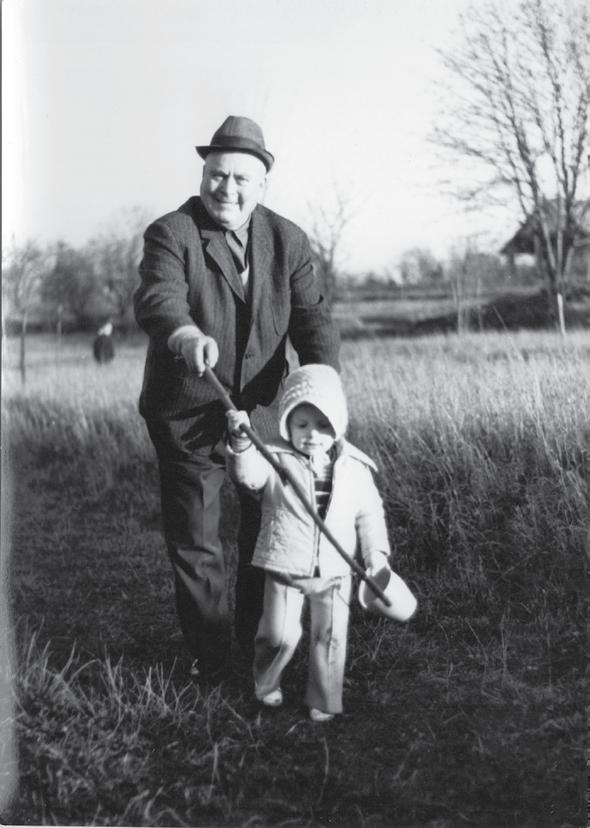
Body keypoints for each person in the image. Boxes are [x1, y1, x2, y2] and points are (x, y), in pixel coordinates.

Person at [133, 116, 340, 678]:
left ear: (263, 185)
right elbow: (159, 300)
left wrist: (323, 394)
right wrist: (185, 335)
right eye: (216, 175)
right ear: (204, 174)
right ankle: (212, 658)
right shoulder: (171, 233)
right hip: (188, 415)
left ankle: (254, 641)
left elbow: (315, 324)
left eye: (240, 179)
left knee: (263, 535)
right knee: (199, 542)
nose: (226, 189)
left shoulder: (289, 240)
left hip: (265, 417)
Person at [225, 364, 395, 722]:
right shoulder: (274, 459)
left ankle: (324, 698)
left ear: (338, 425)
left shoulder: (355, 469)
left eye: (322, 425)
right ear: (287, 424)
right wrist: (241, 442)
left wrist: (376, 555)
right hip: (286, 565)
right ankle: (266, 681)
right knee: (278, 636)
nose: (312, 435)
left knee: (331, 640)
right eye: (301, 425)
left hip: (335, 570)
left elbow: (370, 515)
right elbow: (248, 477)